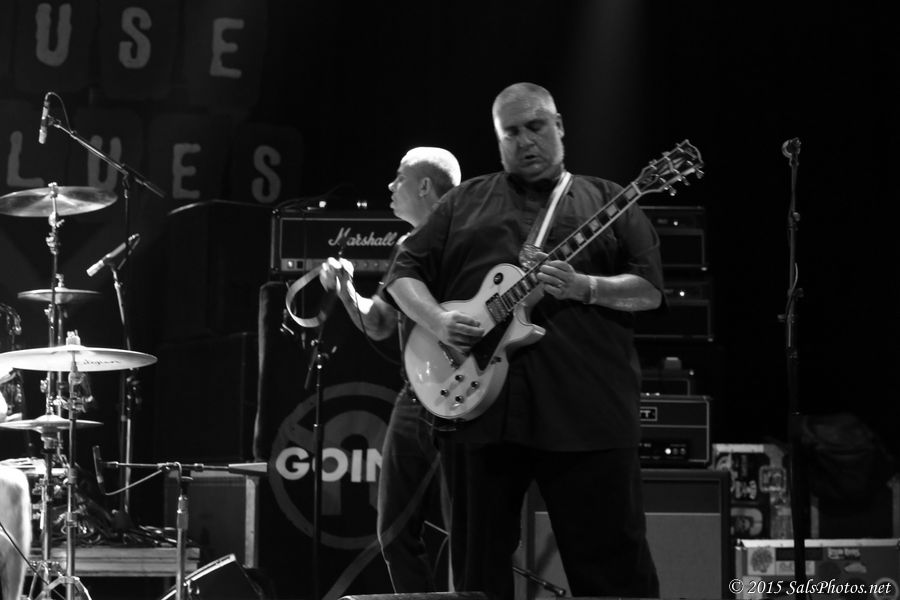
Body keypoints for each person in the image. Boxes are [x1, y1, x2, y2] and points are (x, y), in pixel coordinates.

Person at [385, 82, 663, 600]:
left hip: (587, 413)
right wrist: (439, 322)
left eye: (535, 126)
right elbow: (403, 274)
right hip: (478, 414)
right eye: (510, 132)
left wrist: (587, 287)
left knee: (613, 574)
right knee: (478, 577)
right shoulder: (463, 201)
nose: (525, 140)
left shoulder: (610, 200)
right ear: (498, 141)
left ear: (559, 127)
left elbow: (649, 289)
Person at [318, 147, 462, 592]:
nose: (390, 186)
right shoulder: (406, 247)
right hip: (414, 396)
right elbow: (380, 322)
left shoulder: (471, 239)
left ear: (425, 186)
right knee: (394, 529)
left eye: (399, 177)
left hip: (467, 398)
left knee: (465, 529)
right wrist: (346, 290)